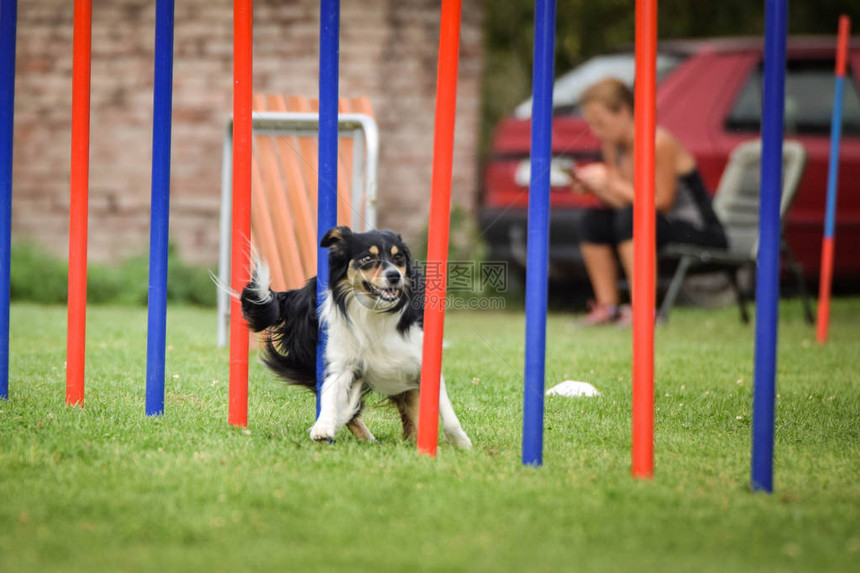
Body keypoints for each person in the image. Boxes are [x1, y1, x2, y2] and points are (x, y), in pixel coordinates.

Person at [570, 77, 727, 326]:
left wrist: (612, 181)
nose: (595, 131)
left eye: (599, 122)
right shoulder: (613, 146)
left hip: (698, 230)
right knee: (593, 220)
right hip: (651, 220)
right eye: (591, 124)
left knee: (631, 220)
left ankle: (643, 309)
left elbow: (662, 203)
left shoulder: (658, 142)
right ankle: (607, 307)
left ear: (623, 110)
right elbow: (623, 201)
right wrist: (597, 188)